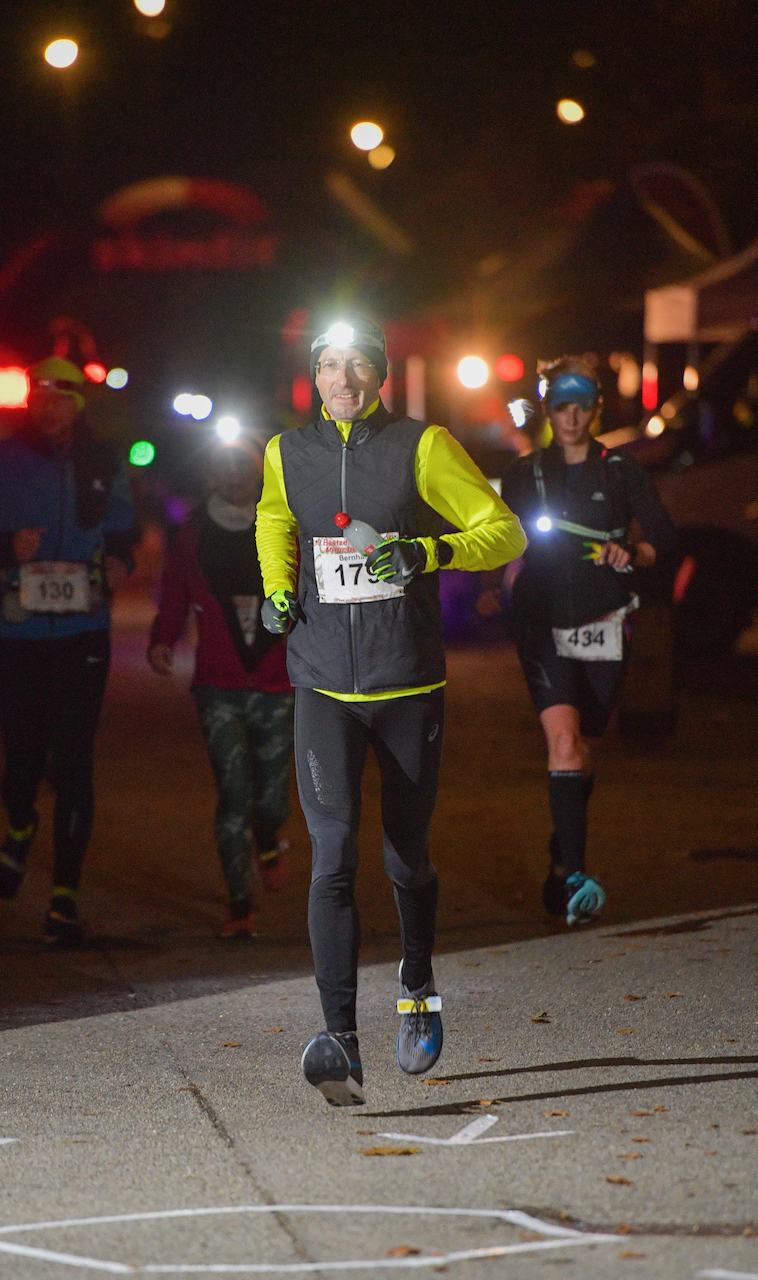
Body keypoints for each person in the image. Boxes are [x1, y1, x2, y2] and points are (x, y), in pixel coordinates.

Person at [255, 317, 527, 1106]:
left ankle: (417, 988)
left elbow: (501, 531)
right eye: (330, 365)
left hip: (406, 683)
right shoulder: (286, 453)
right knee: (332, 855)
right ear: (315, 374)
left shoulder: (423, 445)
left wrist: (428, 551)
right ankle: (339, 1037)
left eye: (359, 365)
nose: (344, 379)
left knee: (404, 857)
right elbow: (278, 518)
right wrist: (277, 588)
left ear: (379, 373)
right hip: (321, 686)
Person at [0, 357, 137, 943]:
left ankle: (64, 897)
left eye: (63, 397)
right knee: (23, 758)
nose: (52, 408)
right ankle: (20, 823)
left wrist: (120, 558)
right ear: (30, 401)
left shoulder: (103, 460)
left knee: (74, 761)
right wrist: (4, 545)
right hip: (17, 632)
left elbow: (123, 524)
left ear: (78, 403)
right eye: (42, 397)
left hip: (83, 630)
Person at [501, 356, 676, 927]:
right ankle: (577, 876)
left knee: (585, 744)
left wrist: (635, 552)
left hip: (606, 617)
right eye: (560, 406)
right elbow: (495, 530)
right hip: (542, 619)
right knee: (565, 743)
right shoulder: (526, 473)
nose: (571, 417)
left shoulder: (622, 470)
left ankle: (563, 846)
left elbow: (664, 541)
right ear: (547, 410)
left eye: (581, 405)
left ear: (596, 409)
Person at [147, 437, 294, 938]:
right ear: (210, 471)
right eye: (223, 463)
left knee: (271, 799)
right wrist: (163, 639)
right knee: (234, 793)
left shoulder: (285, 523)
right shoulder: (190, 531)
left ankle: (269, 835)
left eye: (244, 463)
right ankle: (239, 906)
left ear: (262, 470)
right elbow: (174, 594)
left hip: (278, 683)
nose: (234, 472)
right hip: (218, 686)